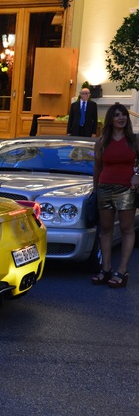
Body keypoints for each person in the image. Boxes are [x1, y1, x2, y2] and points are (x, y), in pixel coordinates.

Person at [91, 103, 138, 288]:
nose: (121, 118)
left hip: (127, 189)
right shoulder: (102, 141)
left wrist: (137, 175)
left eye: (124, 115)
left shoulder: (134, 140)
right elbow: (97, 167)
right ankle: (106, 268)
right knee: (106, 229)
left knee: (127, 228)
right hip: (104, 187)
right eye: (117, 115)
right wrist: (95, 189)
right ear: (110, 118)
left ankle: (122, 270)